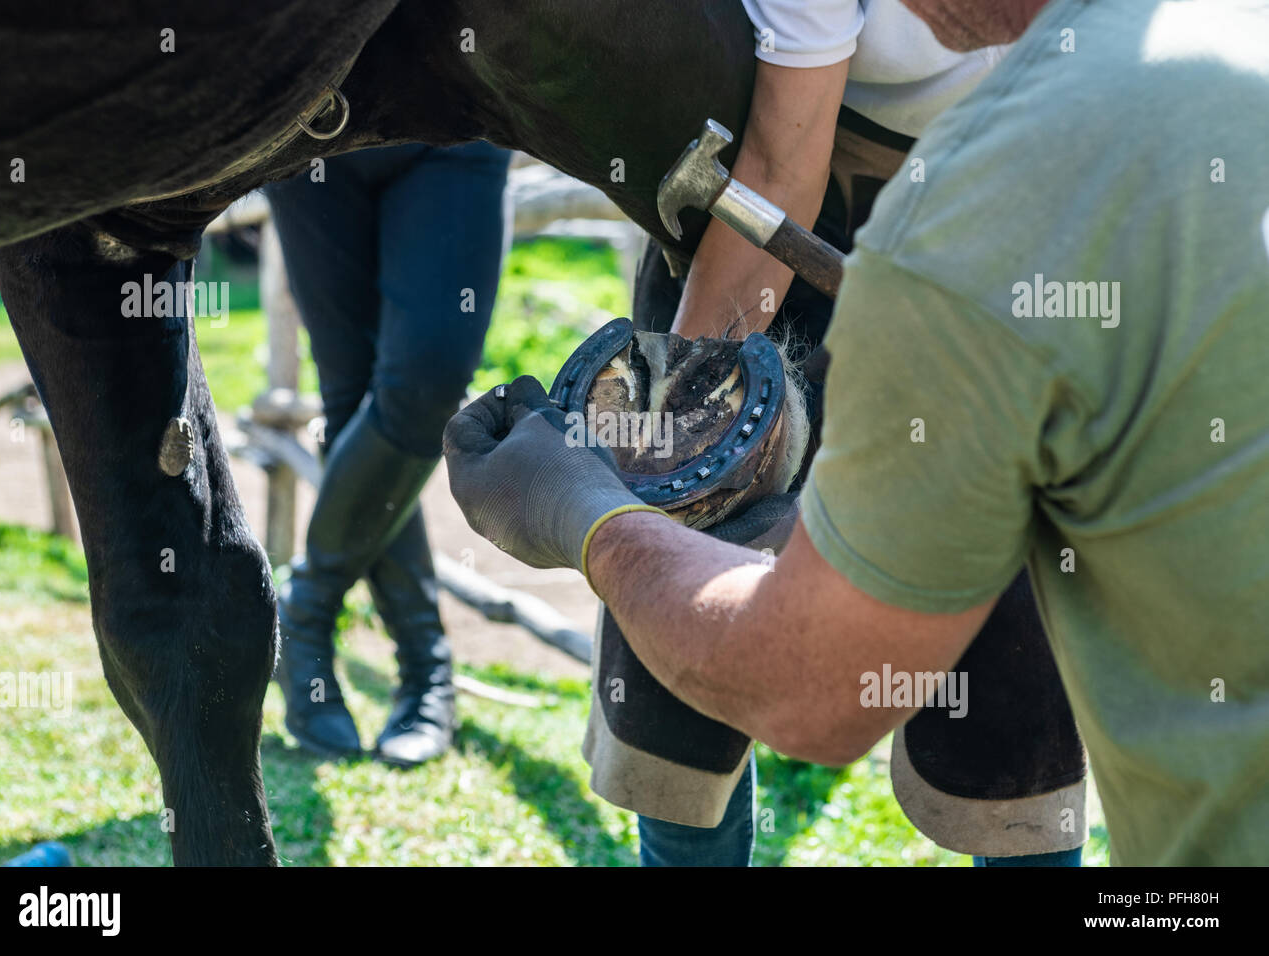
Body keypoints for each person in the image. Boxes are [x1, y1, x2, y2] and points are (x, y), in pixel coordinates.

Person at [443, 0, 1269, 866]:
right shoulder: (1204, 72)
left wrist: (582, 514)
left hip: (979, 233)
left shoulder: (1013, 236)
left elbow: (811, 687)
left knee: (1018, 706)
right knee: (685, 733)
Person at [626, 0, 1082, 868]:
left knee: (1025, 659)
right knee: (686, 540)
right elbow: (780, 163)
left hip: (1029, 205)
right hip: (792, 209)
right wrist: (686, 406)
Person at [266, 141, 511, 765]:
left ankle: (304, 611)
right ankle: (426, 674)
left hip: (452, 119)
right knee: (351, 401)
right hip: (309, 128)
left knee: (428, 382)